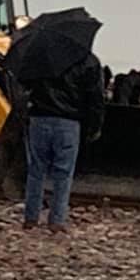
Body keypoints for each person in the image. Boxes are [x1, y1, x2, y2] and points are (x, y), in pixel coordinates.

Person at [23, 51, 105, 232]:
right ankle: (57, 220)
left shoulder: (40, 58)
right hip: (69, 121)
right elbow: (96, 98)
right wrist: (94, 127)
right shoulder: (89, 62)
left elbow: (25, 84)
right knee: (63, 173)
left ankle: (31, 217)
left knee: (36, 169)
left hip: (40, 118)